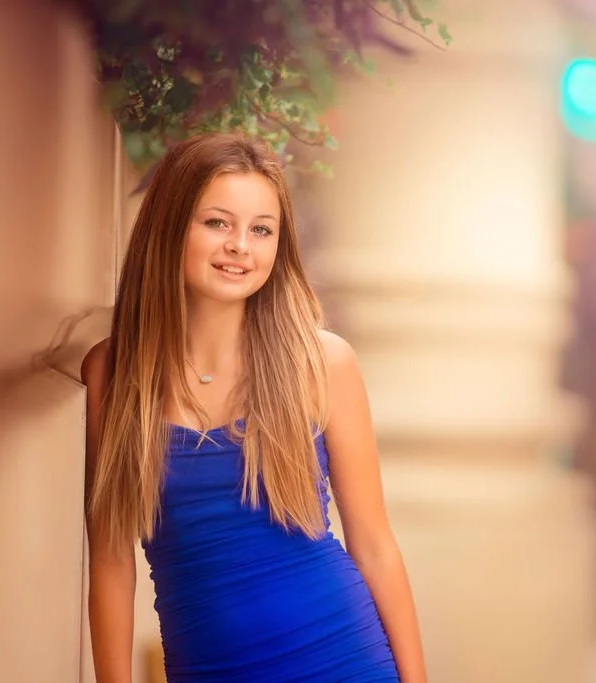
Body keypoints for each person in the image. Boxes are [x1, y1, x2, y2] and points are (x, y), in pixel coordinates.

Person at [80, 133, 426, 682]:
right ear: (171, 227)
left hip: (342, 659)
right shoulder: (113, 372)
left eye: (261, 229)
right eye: (217, 222)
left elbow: (374, 543)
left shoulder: (322, 362)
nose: (241, 245)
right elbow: (110, 559)